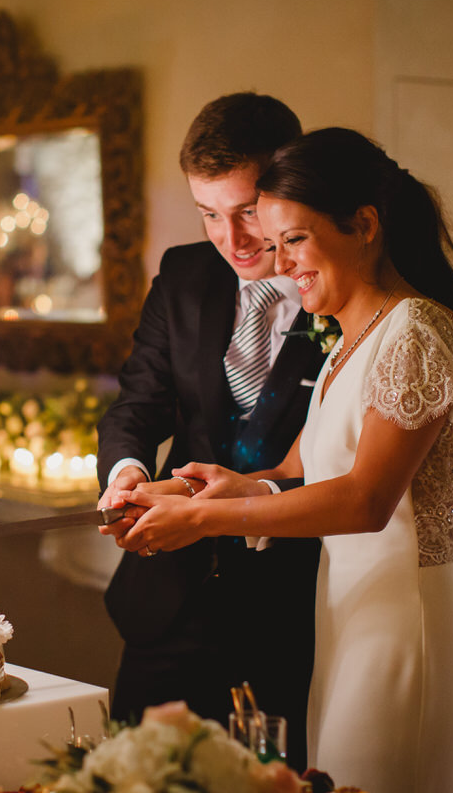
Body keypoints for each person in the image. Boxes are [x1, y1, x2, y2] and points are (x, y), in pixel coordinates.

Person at [111, 127, 453, 792]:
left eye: (296, 240)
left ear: (365, 225)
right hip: (347, 622)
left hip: (402, 632)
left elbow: (366, 501)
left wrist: (204, 523)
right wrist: (234, 488)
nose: (281, 264)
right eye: (277, 241)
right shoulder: (356, 337)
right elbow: (302, 469)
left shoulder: (417, 333)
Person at [95, 92, 326, 765]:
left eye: (248, 212)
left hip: (292, 607)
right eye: (209, 214)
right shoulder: (184, 275)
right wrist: (128, 473)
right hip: (169, 598)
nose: (232, 240)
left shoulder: (341, 291)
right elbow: (139, 401)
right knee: (132, 774)